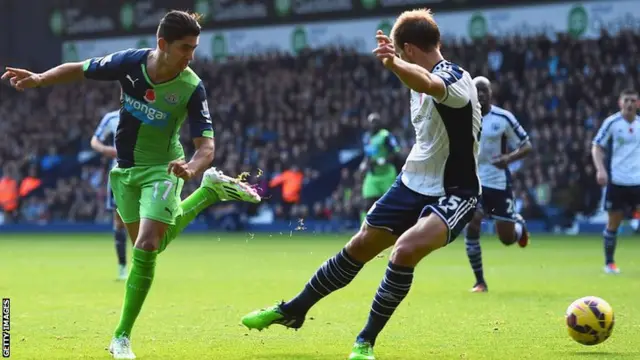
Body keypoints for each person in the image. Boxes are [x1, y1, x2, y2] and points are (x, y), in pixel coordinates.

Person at [2, 10, 261, 359]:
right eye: (185, 48)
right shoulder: (129, 64)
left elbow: (207, 146)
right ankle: (209, 192)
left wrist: (191, 167)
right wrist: (39, 78)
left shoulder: (191, 86)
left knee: (147, 243)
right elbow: (80, 68)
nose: (191, 56)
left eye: (194, 48)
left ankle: (121, 337)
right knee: (152, 243)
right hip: (124, 172)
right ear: (162, 44)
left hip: (163, 168)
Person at [241, 9, 482, 360]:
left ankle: (364, 341)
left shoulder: (457, 79)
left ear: (409, 50)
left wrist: (394, 65)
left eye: (400, 54)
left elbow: (430, 83)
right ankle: (294, 309)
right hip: (411, 182)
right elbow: (420, 83)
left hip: (454, 190)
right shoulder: (414, 75)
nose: (398, 60)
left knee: (404, 251)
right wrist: (400, 65)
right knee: (360, 246)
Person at [464, 76, 532, 293]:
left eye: (484, 90)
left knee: (506, 238)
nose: (481, 94)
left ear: (491, 93)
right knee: (473, 222)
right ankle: (480, 281)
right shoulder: (463, 117)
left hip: (499, 183)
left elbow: (526, 145)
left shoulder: (503, 118)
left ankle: (518, 227)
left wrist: (508, 159)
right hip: (474, 183)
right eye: (477, 90)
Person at [591, 88, 640, 274]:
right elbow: (596, 146)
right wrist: (600, 169)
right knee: (614, 223)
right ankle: (609, 263)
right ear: (620, 103)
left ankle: (636, 219)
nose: (629, 104)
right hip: (618, 180)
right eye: (626, 100)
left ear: (638, 103)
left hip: (638, 180)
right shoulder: (612, 123)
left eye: (632, 100)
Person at [91, 109, 131, 280]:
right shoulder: (112, 118)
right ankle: (122, 267)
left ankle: (142, 265)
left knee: (144, 218)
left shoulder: (148, 113)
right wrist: (106, 150)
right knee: (119, 220)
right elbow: (95, 140)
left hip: (145, 171)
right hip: (120, 173)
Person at [359, 112, 400, 221]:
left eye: (376, 122)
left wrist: (382, 161)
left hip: (387, 174)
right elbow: (367, 155)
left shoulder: (385, 135)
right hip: (373, 175)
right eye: (372, 122)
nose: (374, 124)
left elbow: (395, 152)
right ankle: (363, 229)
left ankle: (393, 226)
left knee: (390, 204)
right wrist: (363, 164)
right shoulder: (366, 138)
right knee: (367, 204)